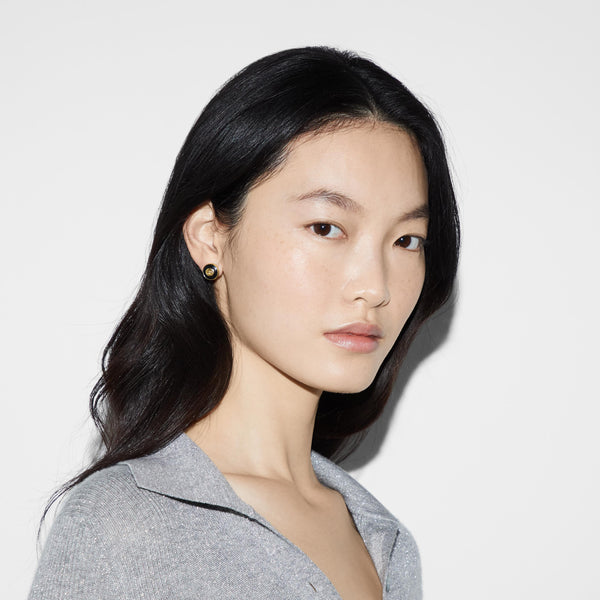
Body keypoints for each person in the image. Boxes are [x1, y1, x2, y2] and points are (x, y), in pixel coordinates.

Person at [28, 46, 459, 600]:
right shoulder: (124, 527)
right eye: (326, 228)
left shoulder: (385, 540)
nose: (375, 286)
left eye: (407, 240)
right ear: (211, 237)